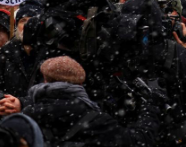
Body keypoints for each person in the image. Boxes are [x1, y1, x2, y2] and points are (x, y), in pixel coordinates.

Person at [20, 56, 160, 146]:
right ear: (80, 84)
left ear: (45, 80)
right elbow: (136, 141)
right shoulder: (95, 120)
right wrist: (149, 109)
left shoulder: (26, 117)